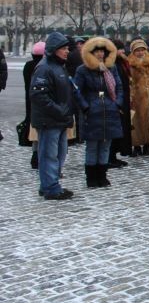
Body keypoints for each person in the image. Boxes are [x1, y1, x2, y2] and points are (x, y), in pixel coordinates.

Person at [29, 32, 75, 200]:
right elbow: (38, 95)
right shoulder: (44, 67)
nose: (67, 51)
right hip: (49, 120)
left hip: (60, 119)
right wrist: (59, 110)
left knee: (59, 154)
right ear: (54, 50)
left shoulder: (58, 66)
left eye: (67, 48)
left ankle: (49, 184)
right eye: (64, 48)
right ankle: (51, 188)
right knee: (49, 155)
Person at [74, 38, 124, 188]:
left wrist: (117, 103)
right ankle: (91, 177)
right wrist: (85, 107)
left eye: (102, 51)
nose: (100, 54)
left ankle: (102, 175)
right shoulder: (82, 70)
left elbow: (119, 87)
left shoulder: (111, 68)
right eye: (97, 51)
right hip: (93, 111)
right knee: (92, 146)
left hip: (109, 110)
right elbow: (77, 91)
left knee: (105, 146)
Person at [108, 39, 132, 167]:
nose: (123, 51)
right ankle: (110, 156)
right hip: (116, 100)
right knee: (114, 129)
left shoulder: (122, 62)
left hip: (123, 99)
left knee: (120, 128)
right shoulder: (111, 64)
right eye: (120, 48)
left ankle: (114, 155)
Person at [24, 41, 45, 170]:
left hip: (30, 102)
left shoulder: (28, 66)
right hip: (41, 104)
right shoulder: (43, 67)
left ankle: (35, 156)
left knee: (34, 132)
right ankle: (38, 158)